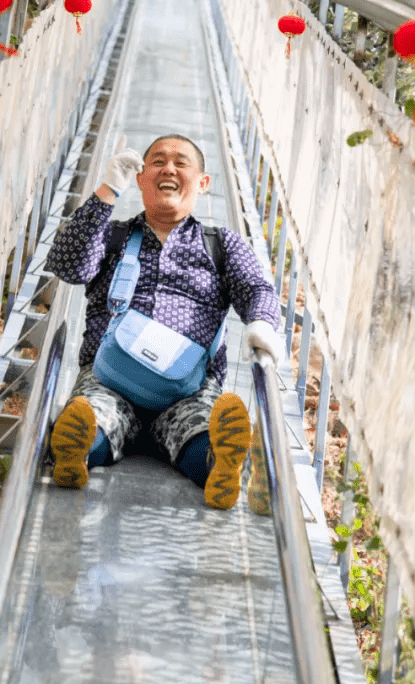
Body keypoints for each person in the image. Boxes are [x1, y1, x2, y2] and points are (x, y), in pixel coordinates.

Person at [44, 134, 284, 510]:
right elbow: (67, 265)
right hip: (111, 376)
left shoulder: (221, 245)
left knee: (201, 428)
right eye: (156, 161)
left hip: (185, 386)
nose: (168, 168)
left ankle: (224, 464)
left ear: (203, 183)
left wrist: (261, 323)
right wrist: (107, 191)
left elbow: (257, 287)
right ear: (141, 178)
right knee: (96, 414)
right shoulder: (113, 236)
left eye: (181, 162)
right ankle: (75, 450)